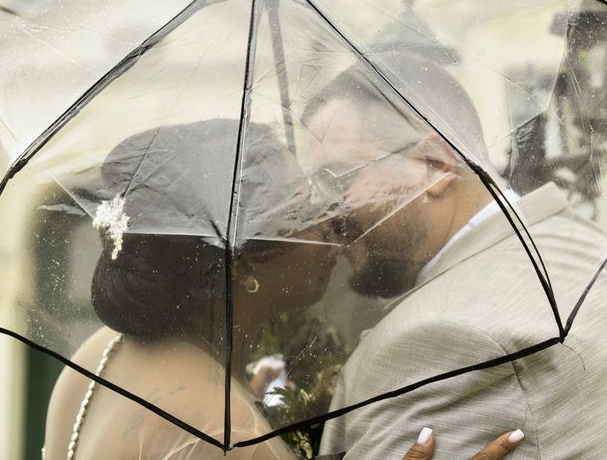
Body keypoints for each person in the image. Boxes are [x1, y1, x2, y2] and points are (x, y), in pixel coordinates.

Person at [43, 120, 524, 459]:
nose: (331, 220)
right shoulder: (223, 433)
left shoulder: (100, 354)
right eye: (304, 208)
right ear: (246, 256)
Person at [304, 56, 607, 459]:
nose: (325, 213)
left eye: (338, 179)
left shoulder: (434, 340)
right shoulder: (579, 243)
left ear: (434, 165)